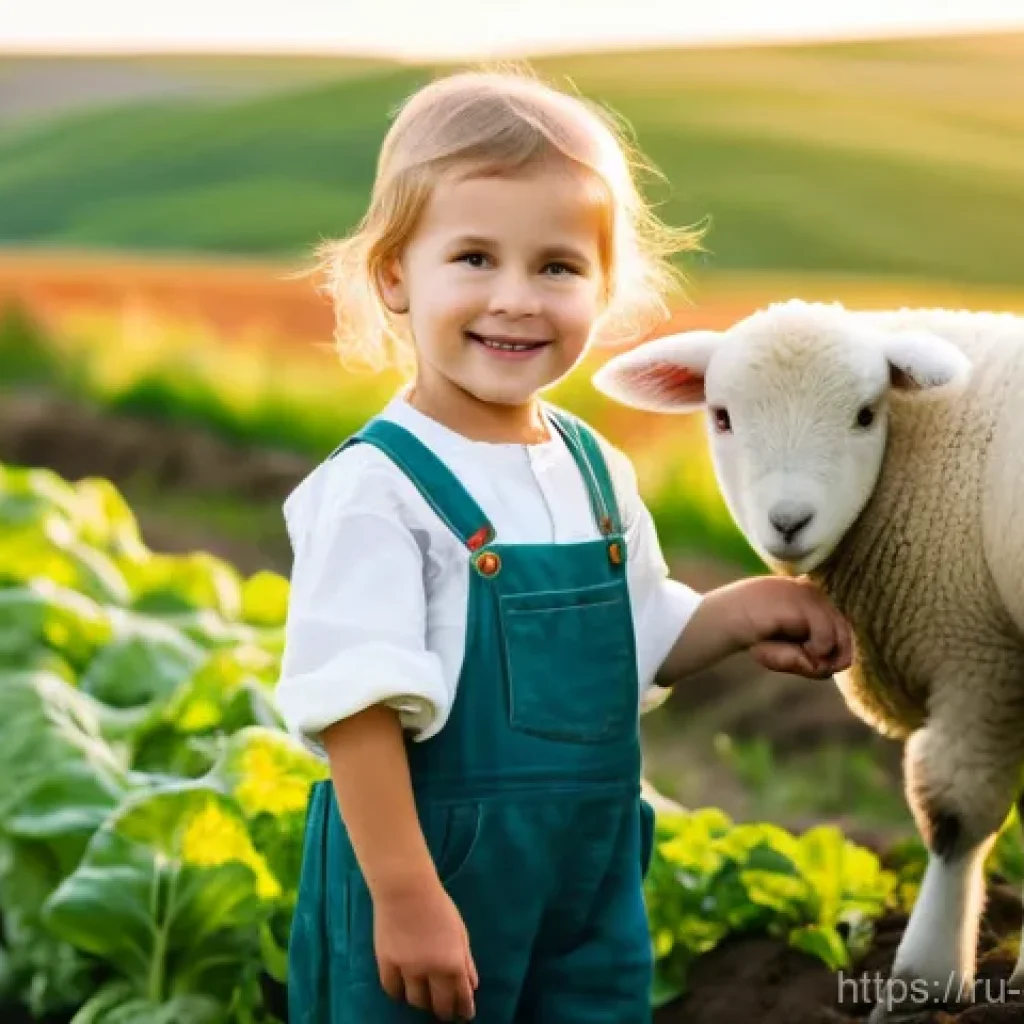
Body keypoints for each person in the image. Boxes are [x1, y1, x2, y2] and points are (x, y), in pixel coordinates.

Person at [275, 65, 853, 1024]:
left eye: (557, 267)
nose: (517, 299)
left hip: (587, 875)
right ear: (394, 275)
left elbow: (637, 638)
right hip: (428, 869)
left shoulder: (593, 467)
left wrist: (747, 613)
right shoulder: (377, 488)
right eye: (474, 258)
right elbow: (357, 713)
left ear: (604, 287)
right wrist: (406, 897)